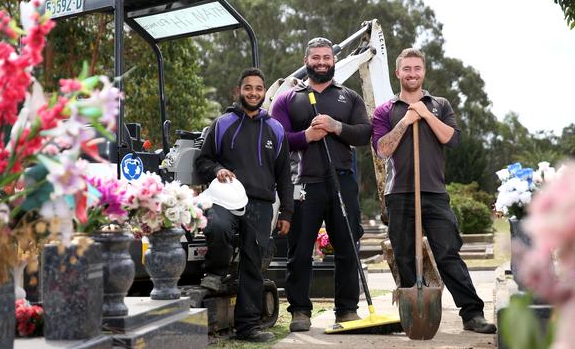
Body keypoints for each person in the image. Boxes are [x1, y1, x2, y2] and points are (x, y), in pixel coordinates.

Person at [372, 48, 497, 334]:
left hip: (435, 193)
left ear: (424, 72)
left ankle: (472, 314)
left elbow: (451, 139)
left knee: (448, 254)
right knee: (404, 256)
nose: (412, 73)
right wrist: (406, 121)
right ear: (398, 73)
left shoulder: (440, 104)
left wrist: (426, 114)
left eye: (417, 68)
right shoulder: (385, 111)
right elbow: (382, 151)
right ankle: (412, 316)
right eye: (407, 69)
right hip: (400, 194)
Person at [270, 37, 372, 332]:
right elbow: (276, 140)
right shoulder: (288, 98)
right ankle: (300, 311)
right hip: (304, 184)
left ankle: (347, 310)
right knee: (300, 250)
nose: (322, 62)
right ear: (306, 61)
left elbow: (364, 134)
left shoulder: (348, 97)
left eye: (327, 57)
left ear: (334, 61)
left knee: (347, 247)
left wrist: (336, 127)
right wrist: (307, 137)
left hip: (342, 181)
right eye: (316, 58)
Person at [195, 67, 293, 342]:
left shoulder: (276, 129)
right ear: (239, 91)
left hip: (260, 204)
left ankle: (248, 327)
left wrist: (286, 211)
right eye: (248, 87)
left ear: (264, 92)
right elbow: (203, 161)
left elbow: (285, 175)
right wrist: (217, 170)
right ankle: (215, 272)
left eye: (258, 88)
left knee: (253, 262)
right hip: (224, 199)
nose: (253, 92)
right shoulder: (222, 124)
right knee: (218, 228)